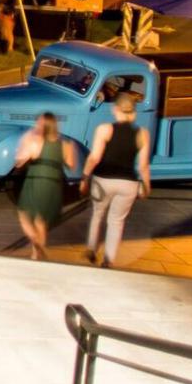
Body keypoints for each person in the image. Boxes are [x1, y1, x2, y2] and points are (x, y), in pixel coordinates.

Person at [79, 93, 151, 269]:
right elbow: (142, 166)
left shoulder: (105, 129)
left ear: (115, 110)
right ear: (134, 113)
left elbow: (94, 157)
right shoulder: (142, 134)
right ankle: (108, 260)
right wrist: (147, 186)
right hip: (128, 183)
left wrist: (85, 177)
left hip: (103, 179)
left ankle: (91, 247)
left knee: (97, 214)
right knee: (116, 222)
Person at [13, 113, 77, 260]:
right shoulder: (65, 144)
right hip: (54, 183)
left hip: (36, 181)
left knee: (24, 214)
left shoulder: (35, 141)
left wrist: (24, 142)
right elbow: (72, 165)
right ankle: (36, 255)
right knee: (41, 221)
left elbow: (19, 162)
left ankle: (37, 244)